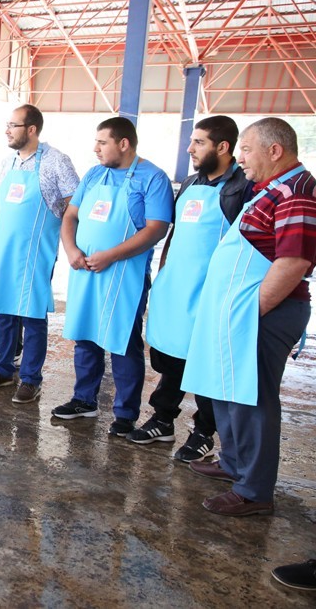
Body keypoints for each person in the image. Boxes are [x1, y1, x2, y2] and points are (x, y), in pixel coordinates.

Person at [182, 118, 315, 516]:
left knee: (253, 400)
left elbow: (294, 262)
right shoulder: (269, 190)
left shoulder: (297, 193)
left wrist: (250, 312)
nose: (240, 158)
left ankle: (254, 491)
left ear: (275, 151)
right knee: (229, 390)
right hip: (239, 312)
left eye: (246, 150)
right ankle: (234, 463)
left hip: (267, 313)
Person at [129, 116, 248, 458]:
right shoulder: (191, 182)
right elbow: (176, 232)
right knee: (173, 358)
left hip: (212, 290)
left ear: (222, 147)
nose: (190, 148)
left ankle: (204, 431)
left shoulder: (240, 187)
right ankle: (164, 420)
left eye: (199, 143)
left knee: (205, 364)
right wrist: (165, 270)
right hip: (178, 285)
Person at [53, 117, 173, 436]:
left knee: (122, 341)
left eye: (102, 142)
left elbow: (156, 228)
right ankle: (84, 400)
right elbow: (71, 216)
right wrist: (71, 250)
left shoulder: (153, 178)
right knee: (86, 336)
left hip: (124, 274)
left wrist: (111, 255)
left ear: (124, 143)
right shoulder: (94, 174)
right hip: (86, 270)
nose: (96, 148)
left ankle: (125, 413)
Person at [0, 105, 79, 403]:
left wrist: (66, 240)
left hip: (36, 248)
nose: (7, 130)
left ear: (32, 130)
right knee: (5, 310)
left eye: (13, 125)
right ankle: (3, 368)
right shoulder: (8, 162)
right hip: (6, 248)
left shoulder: (55, 161)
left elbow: (74, 204)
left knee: (32, 312)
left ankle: (30, 378)